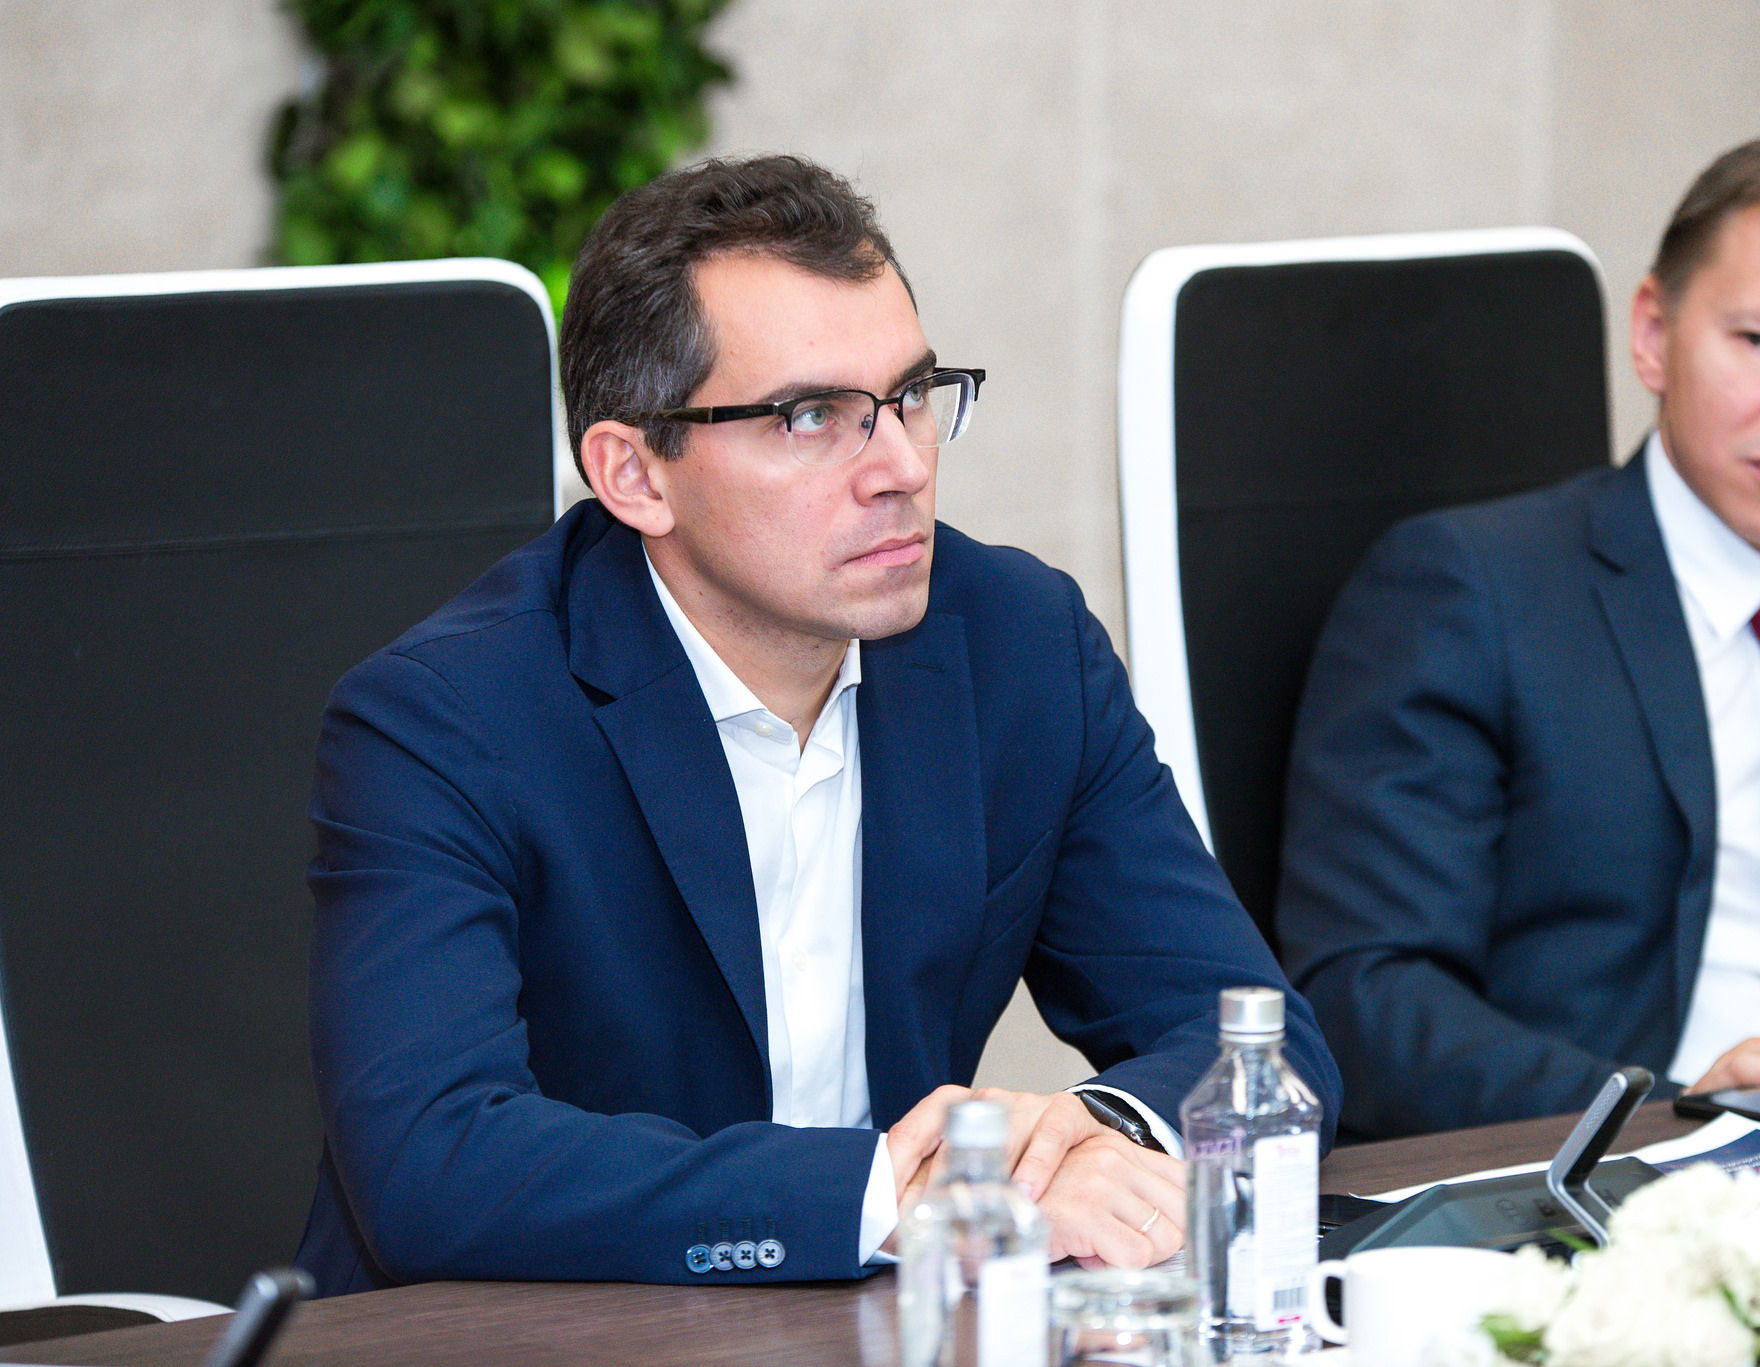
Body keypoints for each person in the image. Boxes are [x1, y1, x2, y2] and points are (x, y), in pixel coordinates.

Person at [295, 154, 1339, 1293]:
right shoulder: (445, 718)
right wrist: (889, 1197)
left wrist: (1091, 1138)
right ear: (634, 473)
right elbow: (433, 1161)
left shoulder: (1019, 645)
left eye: (912, 396)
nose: (899, 467)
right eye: (809, 417)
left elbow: (1265, 1047)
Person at [1275, 129, 1760, 1141]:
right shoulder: (1470, 589)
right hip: (1615, 1180)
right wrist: (1669, 1109)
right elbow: (1361, 998)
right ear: (1653, 333)